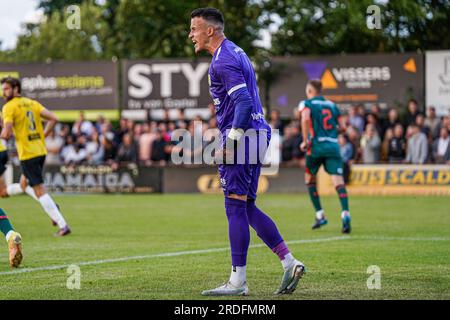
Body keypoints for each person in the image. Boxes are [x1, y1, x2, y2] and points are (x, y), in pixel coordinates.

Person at [189, 7, 304, 296]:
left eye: (194, 28)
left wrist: (231, 142)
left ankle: (238, 282)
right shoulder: (236, 52)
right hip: (258, 133)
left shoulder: (222, 60)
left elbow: (242, 103)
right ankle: (289, 262)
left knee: (234, 206)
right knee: (247, 206)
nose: (190, 34)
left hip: (243, 137)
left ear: (209, 30)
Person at [0, 77, 71, 236]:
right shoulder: (32, 103)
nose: (3, 92)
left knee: (39, 189)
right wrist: (43, 135)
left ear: (16, 88)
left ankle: (63, 225)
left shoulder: (9, 107)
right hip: (40, 150)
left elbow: (7, 132)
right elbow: (54, 118)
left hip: (28, 154)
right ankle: (52, 206)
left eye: (6, 89)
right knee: (25, 185)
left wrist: (3, 134)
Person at [298, 79, 351, 233]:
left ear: (309, 90)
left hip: (315, 146)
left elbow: (305, 119)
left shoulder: (306, 104)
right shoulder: (332, 105)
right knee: (338, 182)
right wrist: (332, 133)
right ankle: (345, 214)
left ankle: (320, 214)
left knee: (309, 179)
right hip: (333, 147)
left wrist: (305, 140)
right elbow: (343, 127)